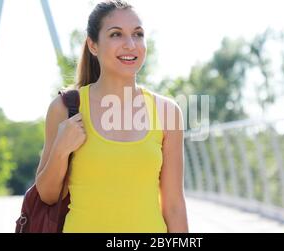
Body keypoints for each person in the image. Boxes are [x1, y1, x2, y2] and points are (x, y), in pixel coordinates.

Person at [35, 0, 188, 233]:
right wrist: (61, 149)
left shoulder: (168, 112)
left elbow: (174, 206)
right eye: (116, 34)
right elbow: (46, 195)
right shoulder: (65, 108)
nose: (130, 44)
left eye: (138, 34)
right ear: (93, 45)